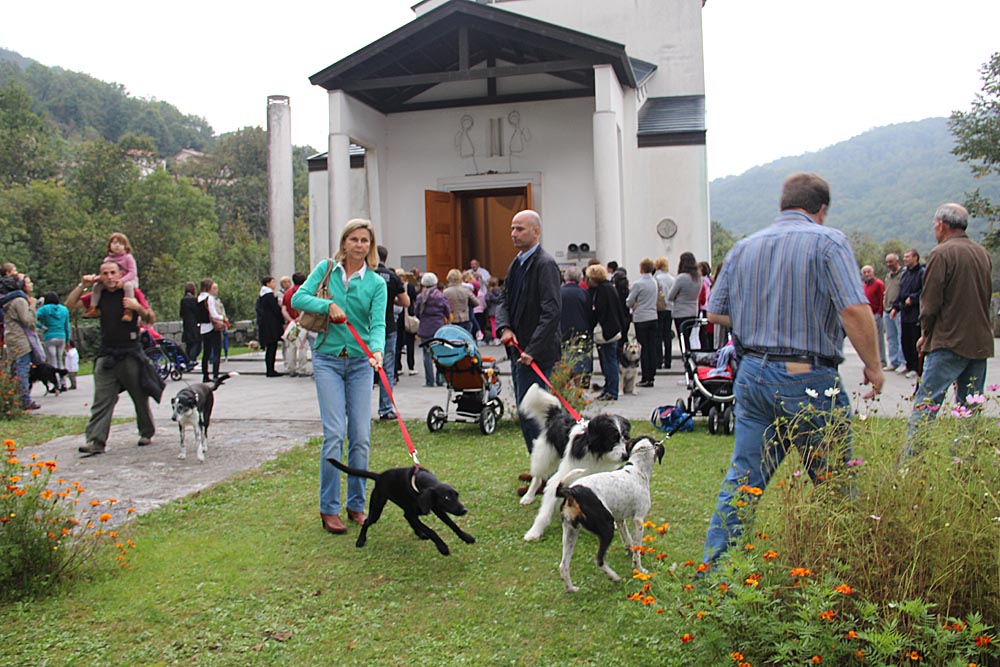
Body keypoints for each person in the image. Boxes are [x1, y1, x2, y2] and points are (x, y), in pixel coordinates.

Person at [702, 172, 884, 565]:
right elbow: (854, 310)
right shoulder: (828, 241)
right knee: (835, 484)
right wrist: (874, 366)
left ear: (782, 204)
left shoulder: (744, 247)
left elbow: (715, 311)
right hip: (806, 375)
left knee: (743, 481)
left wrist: (759, 321)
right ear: (822, 209)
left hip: (753, 374)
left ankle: (715, 575)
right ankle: (847, 573)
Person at [291, 218, 387, 535]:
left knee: (360, 435)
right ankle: (328, 508)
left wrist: (377, 351)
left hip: (360, 362)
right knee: (334, 433)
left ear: (370, 246)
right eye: (354, 239)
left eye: (365, 240)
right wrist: (327, 304)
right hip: (328, 359)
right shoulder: (326, 269)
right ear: (344, 242)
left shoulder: (376, 283)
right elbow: (297, 299)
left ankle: (356, 504)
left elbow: (378, 324)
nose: (360, 245)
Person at [902, 203, 994, 458]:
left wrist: (925, 334)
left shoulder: (941, 253)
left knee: (926, 405)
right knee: (969, 409)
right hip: (979, 342)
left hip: (947, 341)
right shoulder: (982, 253)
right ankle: (963, 464)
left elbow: (930, 303)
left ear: (942, 225)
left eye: (934, 225)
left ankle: (911, 463)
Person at [66, 261, 158, 455]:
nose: (109, 277)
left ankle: (146, 432)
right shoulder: (98, 294)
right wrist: (82, 285)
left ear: (119, 274)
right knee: (102, 399)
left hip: (130, 351)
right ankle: (96, 440)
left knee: (140, 397)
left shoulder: (131, 292)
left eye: (112, 273)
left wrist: (137, 307)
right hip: (107, 353)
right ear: (100, 276)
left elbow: (150, 318)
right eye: (105, 273)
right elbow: (70, 305)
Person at [495, 209, 562, 453]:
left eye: (520, 229)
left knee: (534, 413)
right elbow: (504, 299)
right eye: (512, 228)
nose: (514, 234)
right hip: (518, 349)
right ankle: (540, 464)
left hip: (535, 354)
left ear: (536, 231)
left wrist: (532, 349)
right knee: (526, 410)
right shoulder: (517, 263)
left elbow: (551, 311)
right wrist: (505, 328)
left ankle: (545, 465)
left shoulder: (545, 264)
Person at [374, 245, 409, 420]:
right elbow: (406, 302)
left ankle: (359, 410)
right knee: (387, 369)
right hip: (388, 326)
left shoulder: (366, 274)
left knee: (362, 369)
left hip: (367, 327)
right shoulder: (393, 277)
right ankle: (386, 408)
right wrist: (392, 299)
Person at [586, 264, 625, 401]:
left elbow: (600, 310)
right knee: (610, 360)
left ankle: (611, 390)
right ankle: (609, 388)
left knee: (609, 361)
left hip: (607, 330)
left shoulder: (602, 290)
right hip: (613, 328)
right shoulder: (609, 287)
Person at [2, 273, 40, 411]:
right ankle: (24, 400)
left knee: (14, 369)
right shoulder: (19, 301)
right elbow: (27, 320)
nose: (31, 284)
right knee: (22, 369)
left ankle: (12, 398)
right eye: (28, 282)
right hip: (20, 339)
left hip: (12, 337)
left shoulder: (8, 300)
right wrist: (33, 306)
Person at [85, 232, 139, 322]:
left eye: (120, 243)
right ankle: (93, 308)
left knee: (128, 286)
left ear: (125, 246)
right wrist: (95, 279)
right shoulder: (107, 259)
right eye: (114, 243)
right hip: (112, 281)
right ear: (109, 245)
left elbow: (132, 273)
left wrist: (122, 280)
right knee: (97, 286)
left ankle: (128, 311)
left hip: (128, 280)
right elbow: (105, 274)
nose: (117, 246)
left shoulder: (128, 258)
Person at [625, 258, 659, 388]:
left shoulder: (638, 284)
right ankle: (652, 375)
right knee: (652, 347)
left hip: (641, 317)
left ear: (641, 268)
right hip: (653, 316)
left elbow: (629, 301)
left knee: (643, 348)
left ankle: (645, 376)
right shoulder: (654, 282)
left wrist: (634, 304)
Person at [414, 272, 451, 387]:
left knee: (426, 354)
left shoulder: (420, 297)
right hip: (438, 328)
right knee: (439, 353)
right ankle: (440, 379)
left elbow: (416, 312)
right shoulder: (440, 296)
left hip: (425, 328)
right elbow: (447, 311)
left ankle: (429, 381)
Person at [892, 248, 924, 379]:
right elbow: (901, 292)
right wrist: (895, 307)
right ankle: (908, 365)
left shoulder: (922, 273)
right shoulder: (905, 274)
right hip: (905, 313)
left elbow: (924, 290)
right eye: (904, 257)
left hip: (916, 313)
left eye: (908, 257)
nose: (905, 259)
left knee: (914, 341)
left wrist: (913, 298)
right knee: (905, 341)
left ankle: (916, 367)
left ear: (915, 258)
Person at [559, 266, 592, 386]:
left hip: (562, 330)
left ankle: (564, 386)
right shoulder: (584, 292)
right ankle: (577, 386)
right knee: (579, 359)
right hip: (581, 329)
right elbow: (589, 312)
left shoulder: (559, 292)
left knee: (564, 358)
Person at [36, 291, 71, 388]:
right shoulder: (64, 309)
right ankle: (63, 382)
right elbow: (67, 326)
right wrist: (67, 340)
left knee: (52, 362)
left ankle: (56, 384)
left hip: (49, 336)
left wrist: (41, 326)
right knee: (60, 360)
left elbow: (33, 318)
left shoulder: (44, 309)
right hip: (61, 336)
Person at [668, 252, 701, 353]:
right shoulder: (698, 278)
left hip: (680, 312)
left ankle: (685, 356)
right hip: (693, 311)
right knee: (689, 338)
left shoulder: (681, 278)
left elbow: (670, 296)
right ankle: (690, 355)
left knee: (682, 339)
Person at [256, 276, 285, 378]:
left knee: (270, 348)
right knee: (272, 347)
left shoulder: (262, 295)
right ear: (267, 284)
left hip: (266, 324)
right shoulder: (268, 295)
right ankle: (270, 369)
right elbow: (275, 309)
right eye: (272, 282)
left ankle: (270, 368)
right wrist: (282, 319)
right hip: (271, 325)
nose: (274, 284)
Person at [281, 272, 309, 376]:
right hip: (302, 323)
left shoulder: (288, 293)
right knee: (302, 346)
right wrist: (300, 318)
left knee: (291, 346)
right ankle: (302, 368)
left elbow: (283, 309)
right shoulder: (305, 292)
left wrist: (291, 320)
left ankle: (291, 368)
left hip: (292, 323)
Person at [197, 278, 224, 383]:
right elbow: (213, 313)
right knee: (217, 351)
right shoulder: (210, 298)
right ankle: (215, 375)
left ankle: (205, 375)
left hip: (203, 328)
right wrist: (221, 318)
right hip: (212, 327)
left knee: (206, 352)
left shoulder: (199, 298)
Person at [882, 253, 905, 372]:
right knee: (890, 337)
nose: (888, 264)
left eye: (891, 262)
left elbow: (902, 292)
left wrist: (897, 307)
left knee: (900, 336)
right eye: (887, 262)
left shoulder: (903, 274)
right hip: (887, 309)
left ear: (897, 261)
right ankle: (893, 361)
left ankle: (902, 361)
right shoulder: (888, 276)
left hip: (898, 309)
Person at [861, 265, 887, 368]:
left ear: (873, 272)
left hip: (876, 314)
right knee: (868, 339)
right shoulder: (863, 286)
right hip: (867, 315)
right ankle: (871, 361)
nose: (867, 274)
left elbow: (882, 299)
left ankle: (882, 360)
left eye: (869, 272)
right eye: (865, 272)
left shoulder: (879, 284)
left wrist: (880, 313)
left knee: (879, 339)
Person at [394, 269, 418, 377]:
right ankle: (411, 366)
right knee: (410, 343)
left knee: (398, 343)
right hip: (408, 316)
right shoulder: (410, 286)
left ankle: (398, 366)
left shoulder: (395, 286)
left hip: (398, 317)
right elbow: (414, 299)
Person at [653, 257, 675, 369]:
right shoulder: (672, 278)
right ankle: (668, 360)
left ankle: (658, 360)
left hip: (659, 308)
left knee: (658, 334)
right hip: (670, 307)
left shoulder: (656, 278)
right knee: (667, 334)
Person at [443, 269, 478, 334]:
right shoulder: (466, 290)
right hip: (465, 318)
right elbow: (476, 302)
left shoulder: (446, 292)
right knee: (465, 338)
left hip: (453, 319)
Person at [178, 282, 202, 366]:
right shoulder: (193, 300)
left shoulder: (183, 300)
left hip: (186, 324)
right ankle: (192, 360)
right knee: (196, 343)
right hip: (194, 324)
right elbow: (197, 312)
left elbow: (181, 313)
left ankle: (187, 360)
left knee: (189, 344)